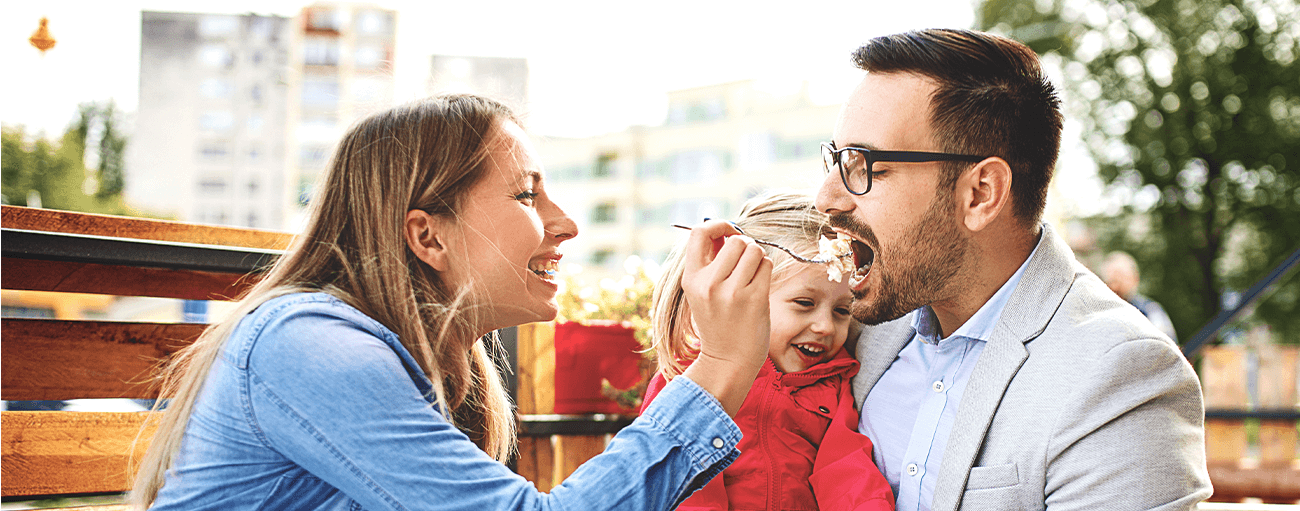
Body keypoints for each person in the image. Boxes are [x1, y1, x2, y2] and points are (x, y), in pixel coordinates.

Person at [129, 94, 776, 510]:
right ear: (427, 235)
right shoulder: (309, 345)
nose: (567, 223)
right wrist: (719, 366)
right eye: (527, 195)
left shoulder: (440, 367)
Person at [814, 29, 1212, 511]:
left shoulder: (1121, 377)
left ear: (981, 193)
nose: (826, 198)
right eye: (834, 160)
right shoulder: (856, 329)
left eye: (863, 165)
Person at [642, 191, 894, 511]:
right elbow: (687, 485)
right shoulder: (695, 379)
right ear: (746, 296)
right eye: (805, 303)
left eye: (842, 311)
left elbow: (845, 468)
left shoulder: (833, 385)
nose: (826, 326)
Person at [1101, 251, 1179, 342]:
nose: (1115, 286)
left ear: (1135, 278)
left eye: (1121, 278)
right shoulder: (1098, 313)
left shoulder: (1149, 310)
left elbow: (1167, 346)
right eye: (1111, 280)